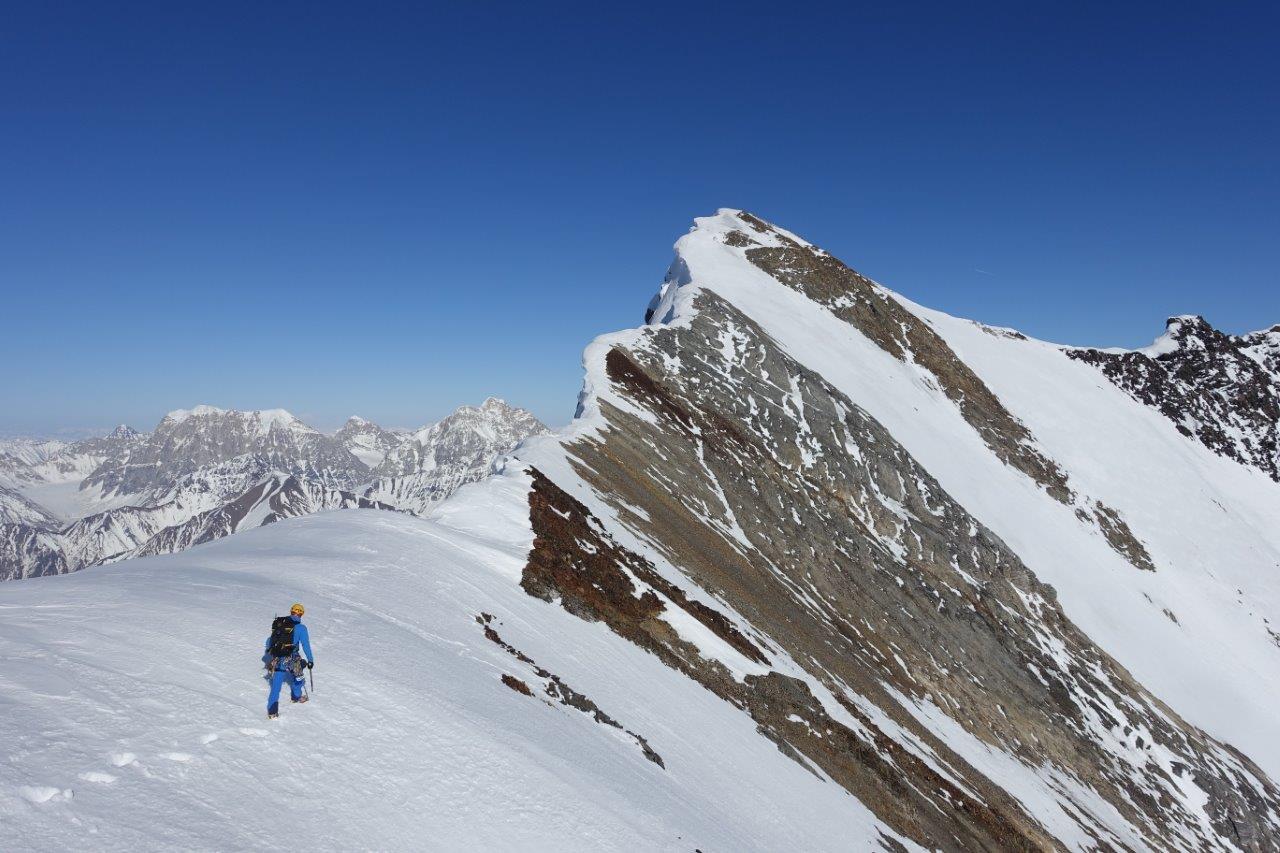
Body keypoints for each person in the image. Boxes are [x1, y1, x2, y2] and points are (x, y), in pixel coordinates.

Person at [264, 602, 314, 719]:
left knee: (276, 685)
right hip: (292, 657)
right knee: (299, 679)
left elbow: (269, 642)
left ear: (291, 611)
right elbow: (305, 645)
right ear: (301, 614)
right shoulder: (301, 628)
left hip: (278, 658)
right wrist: (310, 660)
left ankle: (272, 711)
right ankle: (296, 696)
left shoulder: (280, 624)